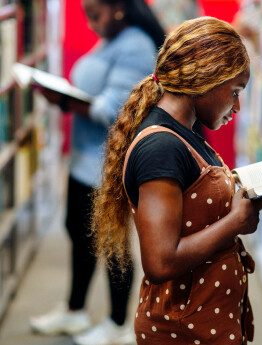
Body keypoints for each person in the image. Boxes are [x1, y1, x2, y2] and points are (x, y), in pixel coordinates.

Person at [91, 17, 262, 344]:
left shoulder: (184, 132)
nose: (237, 106)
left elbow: (196, 211)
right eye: (235, 92)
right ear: (206, 78)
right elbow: (159, 261)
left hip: (201, 320)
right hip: (182, 330)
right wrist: (236, 222)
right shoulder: (161, 148)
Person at [29, 1, 165, 344]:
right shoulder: (111, 36)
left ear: (118, 8)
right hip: (84, 160)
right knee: (80, 234)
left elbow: (116, 112)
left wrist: (63, 100)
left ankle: (119, 324)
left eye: (95, 14)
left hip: (107, 166)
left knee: (113, 244)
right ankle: (75, 311)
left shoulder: (135, 44)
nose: (90, 24)